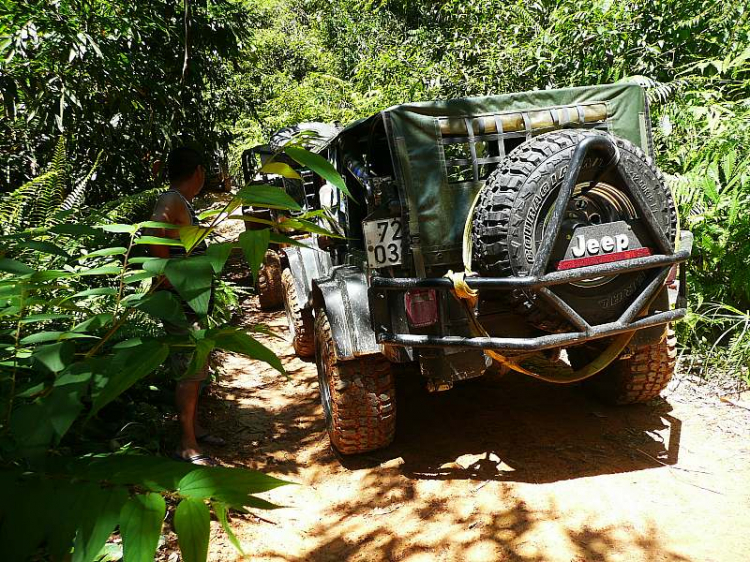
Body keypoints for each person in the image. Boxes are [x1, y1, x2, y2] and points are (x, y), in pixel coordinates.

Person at [149, 145, 222, 465]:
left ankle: (195, 428)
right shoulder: (171, 200)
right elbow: (154, 235)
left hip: (192, 299)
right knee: (189, 371)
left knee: (197, 367)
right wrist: (164, 272)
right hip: (181, 301)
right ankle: (187, 444)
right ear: (198, 173)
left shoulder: (182, 203)